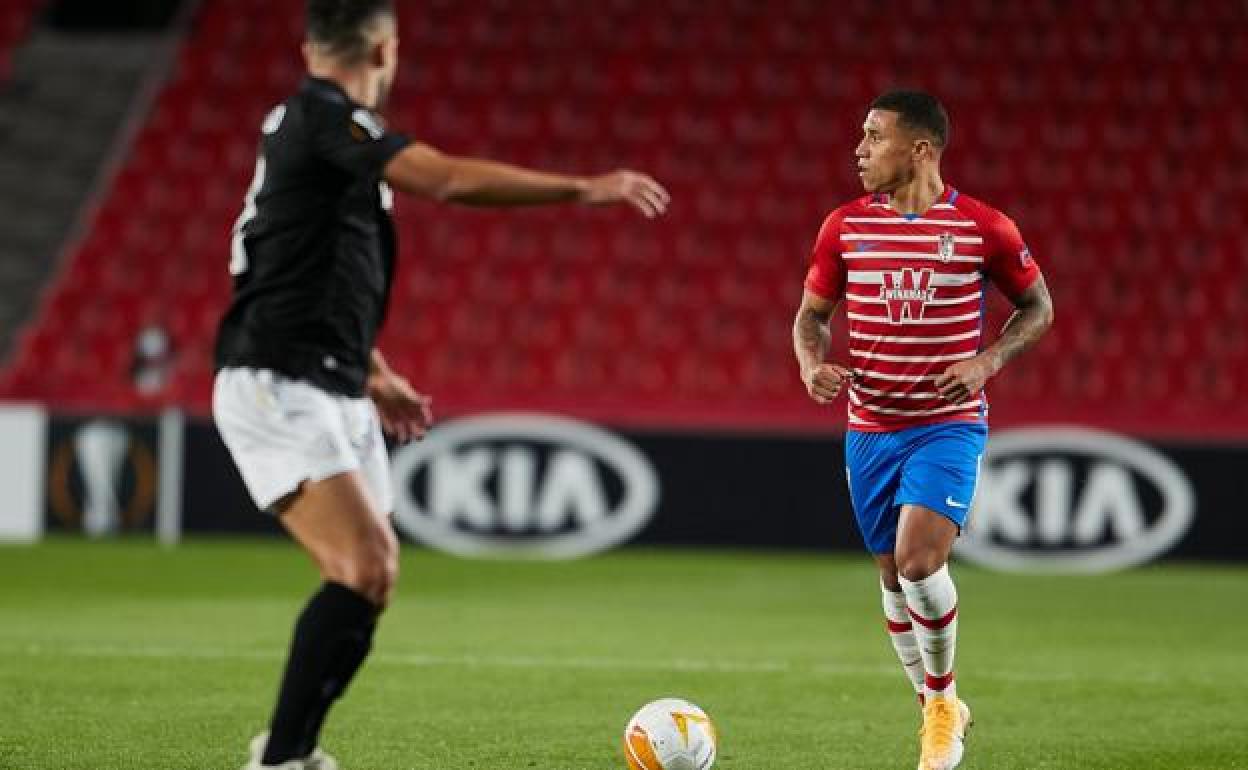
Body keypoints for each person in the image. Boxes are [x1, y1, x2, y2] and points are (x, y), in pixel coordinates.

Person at [212, 2, 670, 768]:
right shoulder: (326, 116)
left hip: (330, 375)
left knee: (373, 576)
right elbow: (448, 181)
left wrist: (377, 371)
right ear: (387, 48)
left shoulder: (315, 135)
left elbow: (308, 270)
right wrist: (584, 188)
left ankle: (292, 750)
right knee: (362, 566)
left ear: (310, 46)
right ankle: (283, 757)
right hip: (276, 375)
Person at [792, 90, 1053, 770]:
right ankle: (936, 708)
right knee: (889, 575)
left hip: (947, 424)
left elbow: (1037, 306)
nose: (858, 148)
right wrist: (810, 361)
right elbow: (810, 315)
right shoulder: (843, 227)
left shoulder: (984, 228)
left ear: (920, 149)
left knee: (918, 562)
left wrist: (988, 359)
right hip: (870, 427)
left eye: (873, 136)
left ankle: (941, 704)